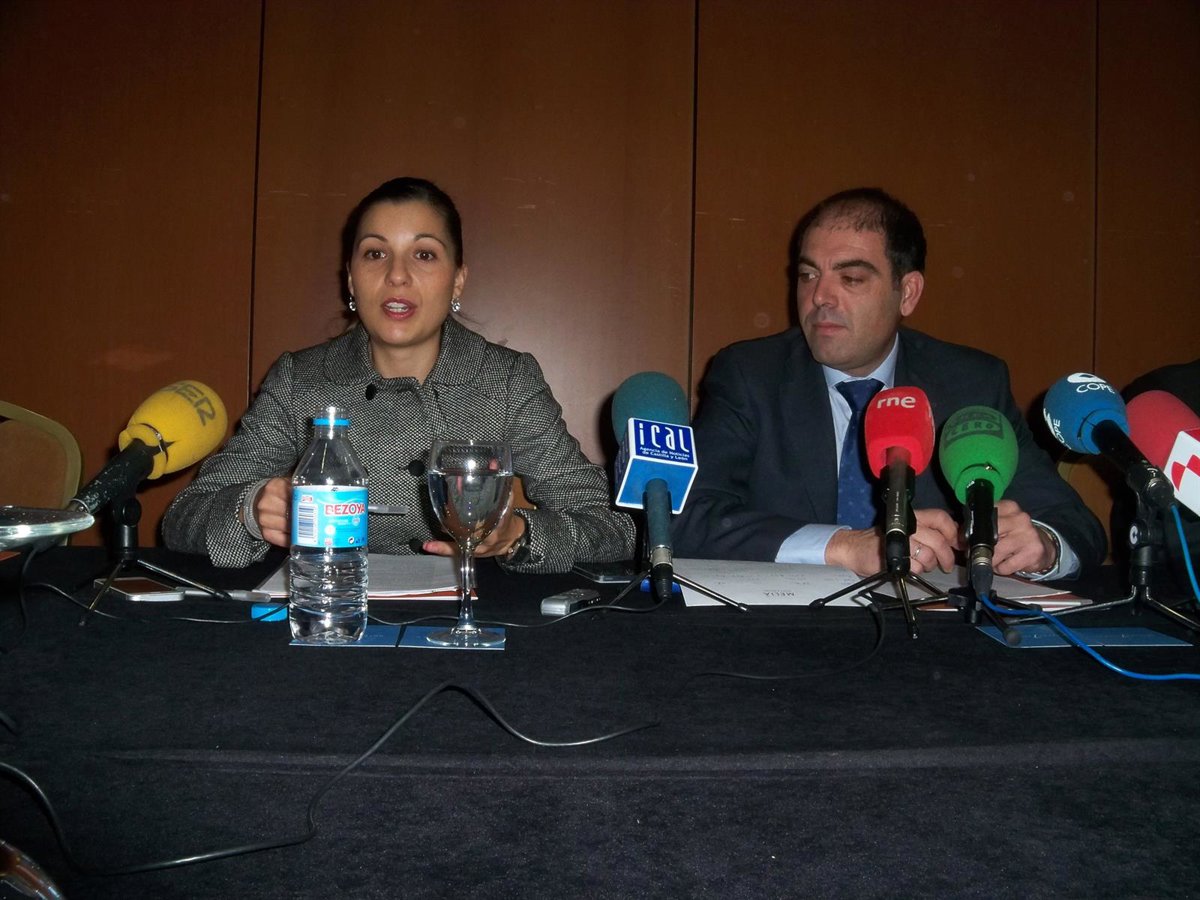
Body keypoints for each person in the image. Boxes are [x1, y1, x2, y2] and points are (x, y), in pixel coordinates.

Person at [164, 177, 635, 572]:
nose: (397, 275)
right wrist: (250, 511)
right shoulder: (299, 380)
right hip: (331, 612)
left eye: (424, 254)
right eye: (375, 254)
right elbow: (182, 518)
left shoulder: (506, 381)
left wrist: (517, 536)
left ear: (458, 279)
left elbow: (611, 528)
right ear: (351, 279)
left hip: (466, 621)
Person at [672, 187, 1106, 579]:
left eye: (851, 278)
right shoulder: (751, 375)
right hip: (783, 625)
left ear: (908, 293)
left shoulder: (969, 384)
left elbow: (1074, 523)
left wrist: (1045, 546)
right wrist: (843, 546)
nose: (819, 296)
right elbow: (684, 517)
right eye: (808, 275)